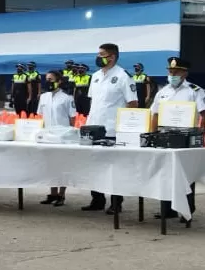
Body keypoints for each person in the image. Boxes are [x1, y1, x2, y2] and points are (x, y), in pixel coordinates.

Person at [83, 43, 137, 214]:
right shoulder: (96, 76)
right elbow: (94, 102)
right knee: (93, 166)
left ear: (112, 56)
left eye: (101, 54)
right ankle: (97, 199)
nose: (98, 57)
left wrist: (126, 128)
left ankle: (116, 202)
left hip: (112, 129)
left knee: (114, 168)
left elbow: (133, 103)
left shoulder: (123, 76)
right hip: (93, 127)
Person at [149, 57, 205, 221]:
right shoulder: (162, 91)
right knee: (165, 174)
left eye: (176, 72)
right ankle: (167, 209)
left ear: (184, 73)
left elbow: (203, 114)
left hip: (186, 139)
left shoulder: (195, 91)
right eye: (170, 71)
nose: (172, 74)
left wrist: (201, 132)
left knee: (185, 175)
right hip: (165, 137)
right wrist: (152, 134)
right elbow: (155, 114)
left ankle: (187, 209)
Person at [37, 70, 76, 206]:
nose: (48, 82)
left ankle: (61, 194)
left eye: (51, 79)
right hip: (48, 135)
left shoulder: (67, 98)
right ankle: (52, 193)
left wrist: (70, 133)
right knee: (50, 165)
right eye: (46, 79)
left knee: (62, 165)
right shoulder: (43, 97)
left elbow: (72, 118)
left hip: (62, 136)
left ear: (59, 81)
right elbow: (40, 116)